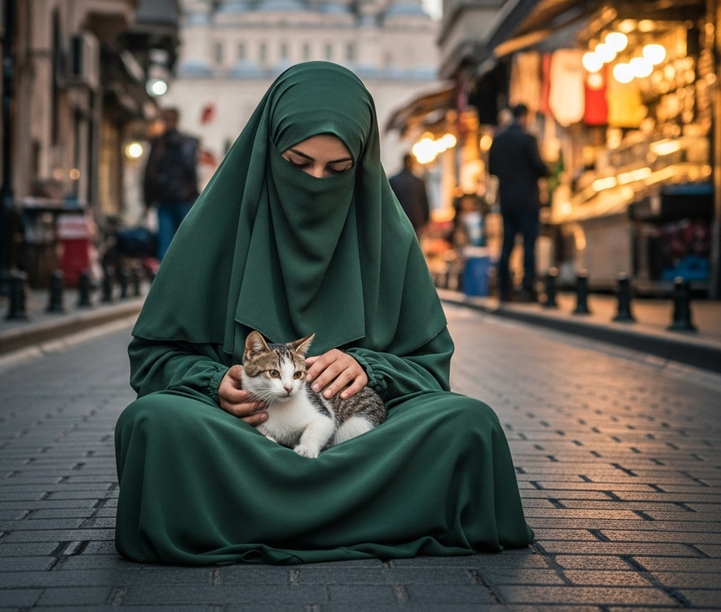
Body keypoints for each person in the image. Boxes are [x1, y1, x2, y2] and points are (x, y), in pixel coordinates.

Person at [115, 62, 533, 565]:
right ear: (268, 151)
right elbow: (155, 358)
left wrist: (370, 366)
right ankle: (371, 514)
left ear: (362, 162)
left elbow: (429, 368)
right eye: (297, 163)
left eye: (338, 170)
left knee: (470, 424)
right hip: (241, 435)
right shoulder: (215, 229)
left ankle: (251, 513)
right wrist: (213, 384)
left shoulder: (389, 236)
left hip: (358, 438)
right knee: (154, 422)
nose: (316, 182)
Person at [487, 103, 549, 302]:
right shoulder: (527, 139)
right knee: (529, 245)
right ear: (525, 116)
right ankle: (527, 289)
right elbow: (538, 166)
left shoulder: (498, 139)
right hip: (528, 200)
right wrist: (548, 169)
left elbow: (492, 169)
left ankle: (504, 289)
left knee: (508, 244)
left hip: (507, 201)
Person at [143, 107, 200, 261]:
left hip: (175, 199)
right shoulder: (183, 143)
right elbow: (150, 174)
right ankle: (178, 277)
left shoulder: (161, 144)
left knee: (171, 242)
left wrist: (148, 201)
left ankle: (171, 279)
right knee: (179, 241)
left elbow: (150, 173)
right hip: (174, 199)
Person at [389, 152, 430, 238]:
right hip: (416, 219)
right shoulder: (418, 181)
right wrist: (426, 220)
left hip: (399, 218)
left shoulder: (393, 180)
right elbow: (424, 202)